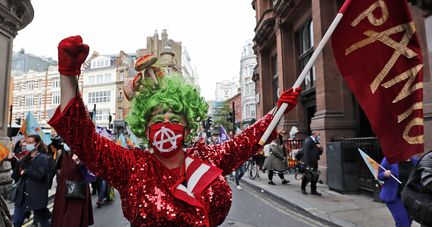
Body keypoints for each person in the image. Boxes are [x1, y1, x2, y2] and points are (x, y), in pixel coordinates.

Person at [48, 35, 300, 226]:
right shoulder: (131, 166)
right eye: (158, 116)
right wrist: (68, 75)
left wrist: (277, 111)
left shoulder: (207, 159)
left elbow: (247, 141)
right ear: (145, 127)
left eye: (174, 117)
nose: (166, 124)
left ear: (188, 126)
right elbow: (84, 140)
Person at [51, 144, 94, 227]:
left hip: (76, 189)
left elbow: (89, 172)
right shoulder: (64, 154)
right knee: (62, 217)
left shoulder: (82, 152)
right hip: (64, 188)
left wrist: (79, 162)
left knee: (72, 219)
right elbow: (58, 168)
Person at [12, 135, 50, 227]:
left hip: (36, 194)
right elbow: (17, 172)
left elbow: (40, 175)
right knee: (16, 221)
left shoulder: (42, 158)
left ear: (37, 144)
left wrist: (26, 171)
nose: (27, 144)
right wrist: (12, 159)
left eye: (30, 143)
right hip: (22, 194)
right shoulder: (26, 156)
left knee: (43, 220)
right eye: (26, 142)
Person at [378, 156, 418, 227]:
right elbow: (379, 175)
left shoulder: (415, 160)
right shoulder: (389, 159)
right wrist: (384, 174)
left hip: (409, 197)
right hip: (394, 196)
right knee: (403, 222)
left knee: (408, 221)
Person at [300, 130, 323, 195]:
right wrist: (307, 164)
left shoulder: (316, 141)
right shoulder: (308, 141)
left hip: (314, 162)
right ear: (314, 134)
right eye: (318, 134)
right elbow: (306, 153)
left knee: (315, 176)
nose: (319, 136)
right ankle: (303, 188)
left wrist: (321, 148)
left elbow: (319, 152)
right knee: (307, 176)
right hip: (309, 162)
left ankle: (313, 190)